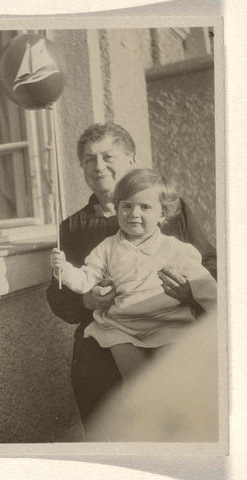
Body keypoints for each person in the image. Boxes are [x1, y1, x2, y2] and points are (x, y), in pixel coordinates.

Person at [46, 123, 217, 433]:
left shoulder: (170, 210)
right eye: (89, 159)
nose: (98, 166)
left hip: (171, 324)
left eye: (108, 156)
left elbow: (209, 263)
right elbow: (58, 294)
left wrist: (189, 292)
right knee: (114, 420)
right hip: (111, 333)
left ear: (131, 158)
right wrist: (87, 298)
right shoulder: (72, 226)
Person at [50, 168, 217, 381]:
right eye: (126, 206)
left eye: (145, 207)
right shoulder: (107, 248)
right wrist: (63, 269)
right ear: (117, 207)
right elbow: (86, 280)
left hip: (167, 323)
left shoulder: (176, 250)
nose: (134, 213)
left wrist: (221, 322)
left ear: (162, 214)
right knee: (135, 382)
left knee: (169, 377)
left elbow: (207, 289)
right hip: (122, 326)